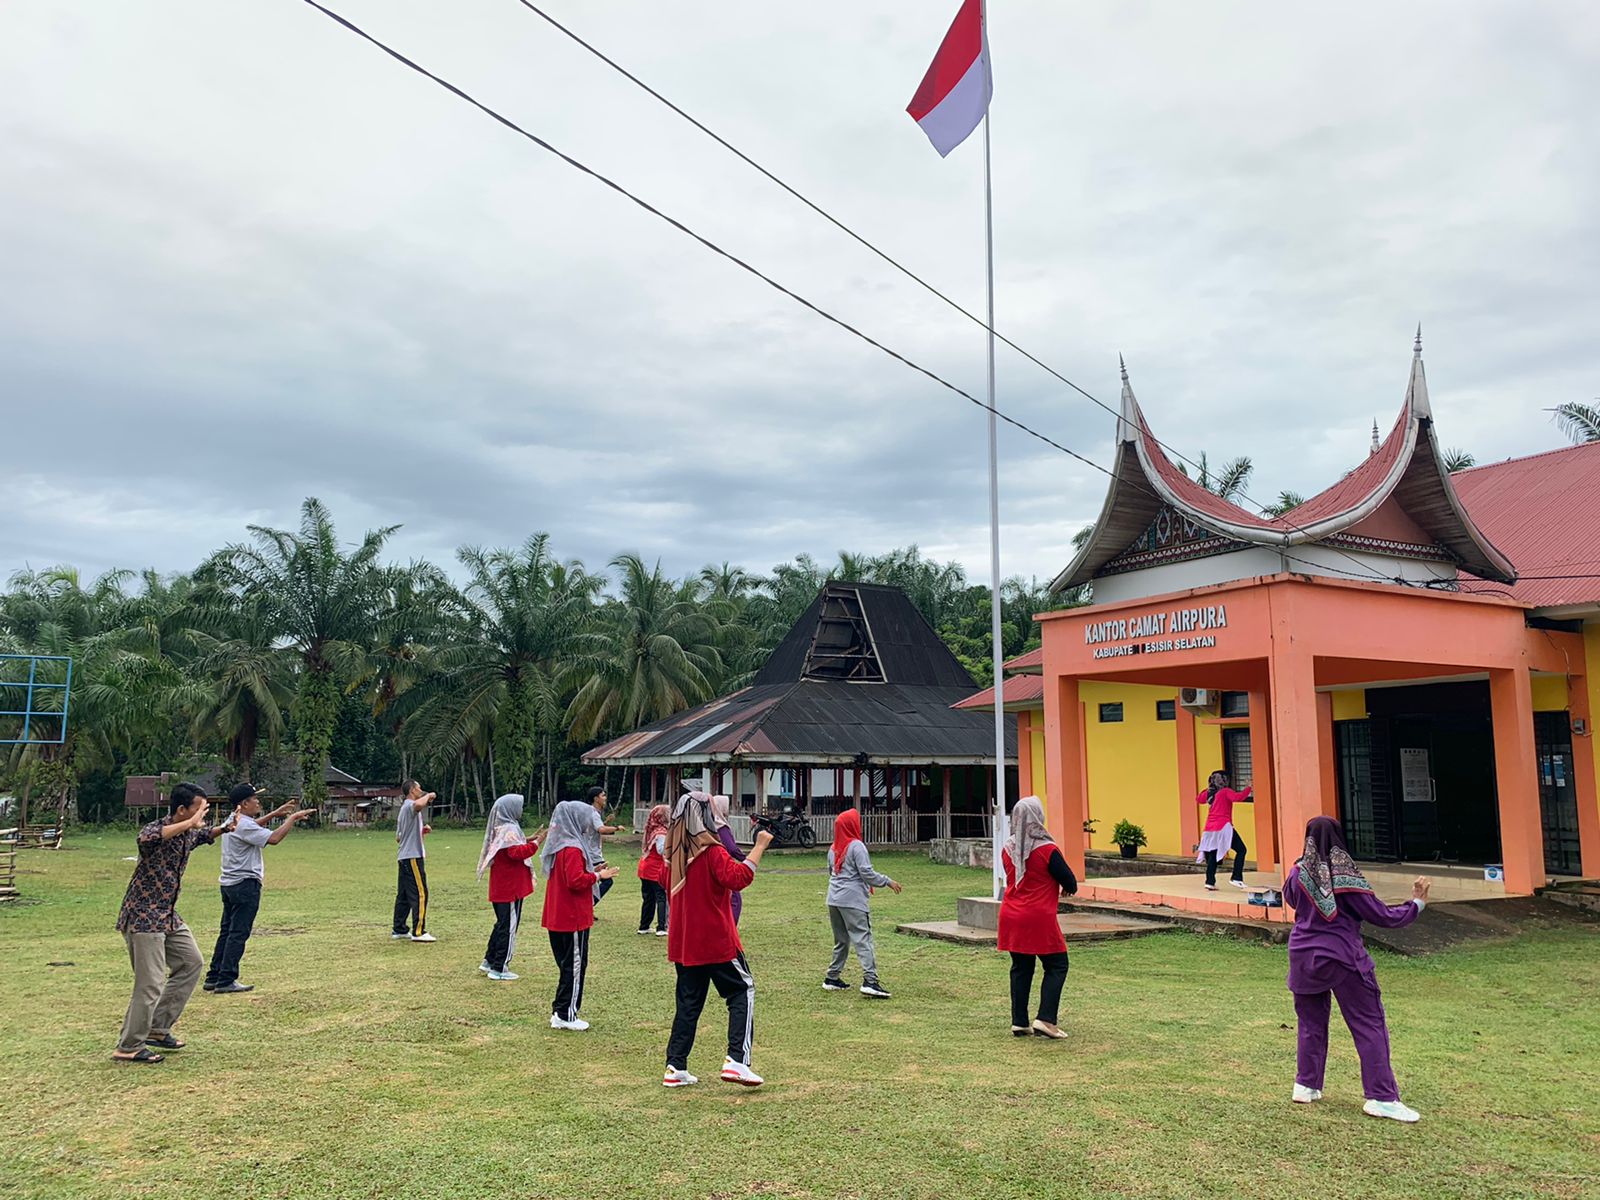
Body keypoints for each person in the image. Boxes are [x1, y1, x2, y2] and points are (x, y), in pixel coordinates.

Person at [1287, 815, 1431, 1123]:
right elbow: (1381, 915)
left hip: (1302, 956)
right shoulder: (1346, 877)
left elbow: (1290, 899)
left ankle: (1306, 1084)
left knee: (1311, 1023)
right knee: (1368, 1023)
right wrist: (1416, 904)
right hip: (1343, 957)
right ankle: (1381, 1096)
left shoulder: (1297, 872)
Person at [663, 791, 774, 1088]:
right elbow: (738, 878)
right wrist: (760, 846)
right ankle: (737, 1060)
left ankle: (676, 1065)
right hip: (715, 939)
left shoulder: (673, 853)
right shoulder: (711, 851)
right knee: (742, 990)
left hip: (686, 943)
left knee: (689, 1002)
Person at [113, 782, 229, 1063]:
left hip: (167, 915)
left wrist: (224, 828)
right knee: (150, 982)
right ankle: (128, 1046)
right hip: (143, 916)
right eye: (200, 809)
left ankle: (157, 1027)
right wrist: (191, 822)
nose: (203, 815)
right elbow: (147, 838)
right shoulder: (156, 830)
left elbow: (202, 836)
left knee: (191, 962)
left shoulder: (187, 834)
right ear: (181, 810)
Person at [203, 784, 317, 995]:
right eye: (254, 799)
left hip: (229, 884)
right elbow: (273, 839)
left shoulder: (232, 820)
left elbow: (251, 826)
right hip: (245, 884)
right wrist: (291, 819)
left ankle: (214, 976)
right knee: (238, 933)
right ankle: (226, 979)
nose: (258, 802)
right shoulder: (243, 825)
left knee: (227, 931)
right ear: (244, 803)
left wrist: (275, 814)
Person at [997, 796, 1077, 1040]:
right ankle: (1046, 1019)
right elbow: (1070, 882)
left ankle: (1019, 1021)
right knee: (1057, 964)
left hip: (1011, 914)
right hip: (1038, 916)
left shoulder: (1008, 849)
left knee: (1021, 967)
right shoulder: (1047, 849)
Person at [541, 798, 619, 1029]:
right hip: (572, 917)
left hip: (560, 914)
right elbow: (575, 881)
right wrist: (598, 877)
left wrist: (593, 870)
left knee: (568, 966)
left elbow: (570, 876)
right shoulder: (573, 848)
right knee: (575, 966)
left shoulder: (560, 845)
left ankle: (560, 1010)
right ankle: (567, 1015)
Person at [823, 808, 901, 999]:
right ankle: (870, 981)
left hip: (834, 899)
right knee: (862, 938)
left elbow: (831, 872)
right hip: (852, 901)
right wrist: (887, 881)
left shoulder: (834, 848)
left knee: (841, 940)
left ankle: (832, 977)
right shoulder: (857, 846)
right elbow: (866, 873)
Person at [477, 793, 545, 982]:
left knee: (501, 924)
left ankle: (489, 960)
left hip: (502, 886)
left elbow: (511, 845)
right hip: (510, 888)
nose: (521, 809)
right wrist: (537, 842)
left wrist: (530, 838)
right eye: (519, 806)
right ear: (510, 808)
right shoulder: (509, 828)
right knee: (508, 927)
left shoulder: (503, 828)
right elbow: (516, 852)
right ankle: (500, 967)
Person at [392, 779, 436, 942]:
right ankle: (419, 931)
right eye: (419, 789)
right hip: (412, 857)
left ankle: (399, 928)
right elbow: (418, 806)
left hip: (403, 856)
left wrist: (421, 831)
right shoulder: (410, 806)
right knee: (420, 893)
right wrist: (429, 796)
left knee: (403, 895)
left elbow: (399, 837)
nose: (421, 791)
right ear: (412, 791)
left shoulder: (403, 810)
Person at [1194, 770, 1252, 891]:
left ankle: (1209, 882)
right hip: (1223, 827)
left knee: (1213, 855)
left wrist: (1209, 788)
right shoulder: (1225, 792)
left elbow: (1199, 799)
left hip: (1209, 830)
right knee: (1241, 850)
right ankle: (1236, 878)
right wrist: (1248, 787)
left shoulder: (1209, 793)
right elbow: (1239, 797)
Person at [709, 794, 748, 925]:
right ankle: (729, 927)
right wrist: (745, 858)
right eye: (726, 806)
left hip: (711, 865)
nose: (728, 809)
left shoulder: (709, 824)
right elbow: (731, 848)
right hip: (723, 864)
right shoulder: (721, 827)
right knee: (735, 899)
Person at [583, 785, 624, 909]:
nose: (605, 798)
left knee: (591, 882)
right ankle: (588, 906)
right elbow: (600, 829)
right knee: (607, 881)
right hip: (593, 855)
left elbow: (594, 829)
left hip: (589, 852)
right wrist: (616, 828)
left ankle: (587, 905)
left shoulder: (590, 812)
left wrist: (606, 822)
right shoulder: (594, 813)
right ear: (596, 798)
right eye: (603, 795)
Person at [636, 802, 671, 936]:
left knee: (648, 897)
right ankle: (662, 927)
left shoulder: (650, 828)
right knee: (661, 897)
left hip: (644, 867)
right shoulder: (661, 832)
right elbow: (661, 849)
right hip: (655, 869)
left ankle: (644, 925)